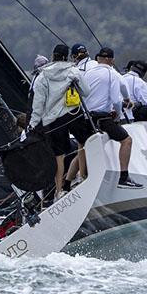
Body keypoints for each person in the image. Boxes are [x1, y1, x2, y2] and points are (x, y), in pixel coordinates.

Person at [29, 44, 90, 200]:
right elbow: (86, 92)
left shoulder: (43, 75)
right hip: (73, 112)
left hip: (53, 118)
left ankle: (58, 191)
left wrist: (34, 123)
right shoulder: (72, 71)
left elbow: (38, 101)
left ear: (53, 55)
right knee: (86, 142)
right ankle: (84, 175)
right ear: (67, 56)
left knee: (59, 156)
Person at [82, 47, 143, 189]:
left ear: (98, 59)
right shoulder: (112, 74)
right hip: (102, 118)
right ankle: (124, 177)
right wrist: (119, 113)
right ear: (111, 60)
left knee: (83, 146)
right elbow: (116, 99)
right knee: (126, 140)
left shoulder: (87, 73)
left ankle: (72, 181)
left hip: (85, 118)